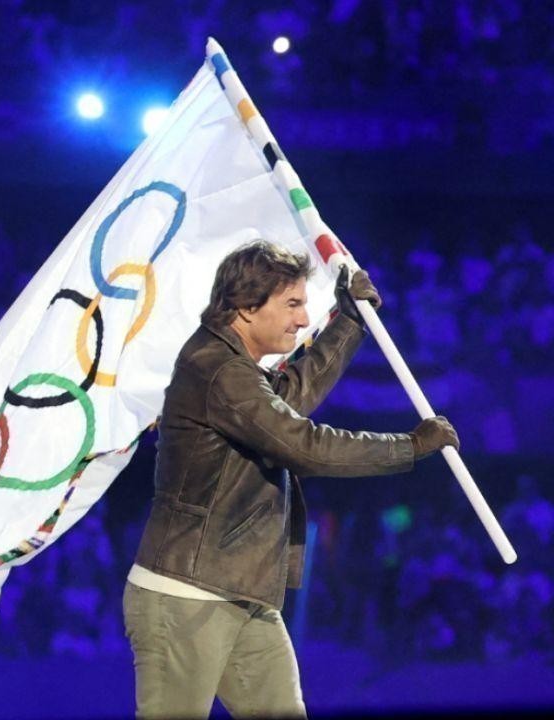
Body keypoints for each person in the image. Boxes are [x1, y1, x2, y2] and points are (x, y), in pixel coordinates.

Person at [123, 241, 459, 719]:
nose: (303, 320)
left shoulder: (234, 369)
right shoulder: (216, 370)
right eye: (293, 305)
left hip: (242, 593)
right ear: (244, 306)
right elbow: (302, 444)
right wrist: (407, 446)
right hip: (185, 596)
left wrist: (349, 321)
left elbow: (289, 399)